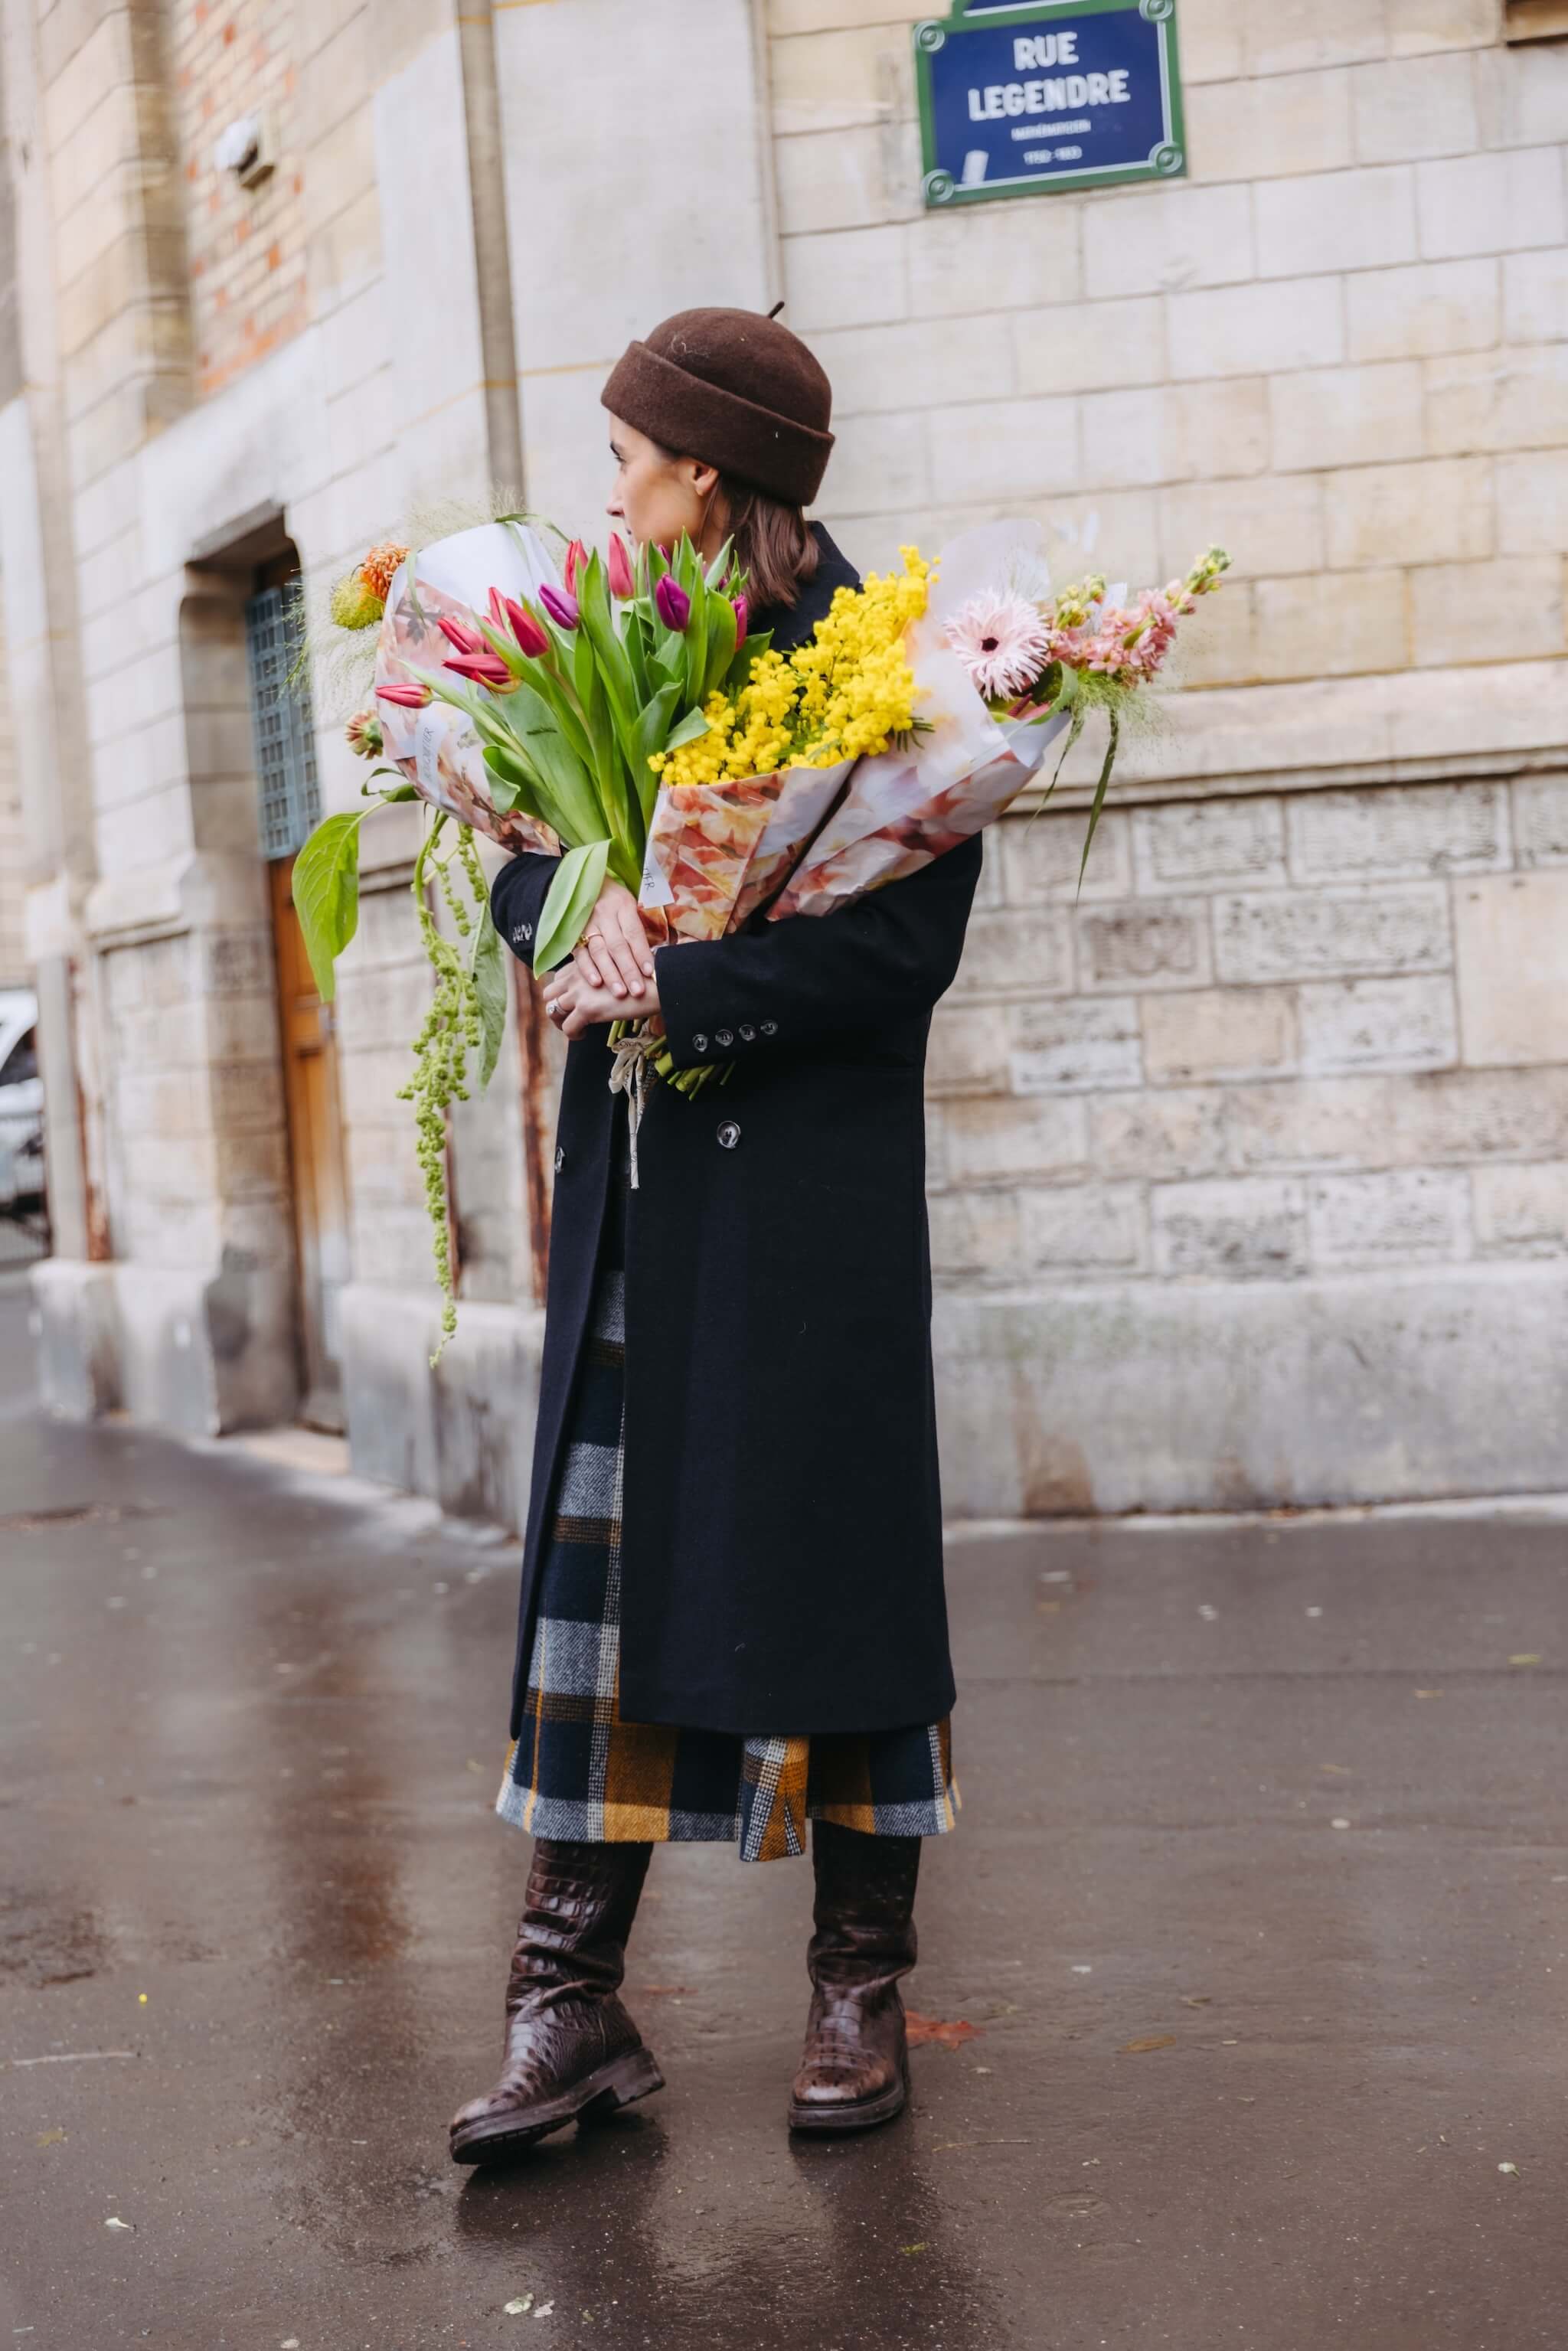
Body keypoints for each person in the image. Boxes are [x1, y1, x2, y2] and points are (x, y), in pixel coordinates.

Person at [449, 308, 983, 2164]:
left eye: (625, 459)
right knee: (599, 1591)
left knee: (827, 1565)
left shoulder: (883, 674)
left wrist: (697, 988)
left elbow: (901, 945)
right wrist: (570, 914)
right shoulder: (605, 626)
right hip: (640, 1191)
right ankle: (565, 2002)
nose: (608, 491)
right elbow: (521, 833)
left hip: (807, 1196)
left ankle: (855, 1986)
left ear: (702, 472)